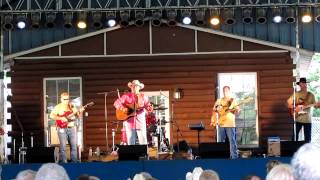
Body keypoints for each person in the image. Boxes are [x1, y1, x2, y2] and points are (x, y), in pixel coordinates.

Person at [114, 80, 153, 145]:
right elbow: (116, 103)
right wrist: (123, 109)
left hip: (140, 123)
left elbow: (148, 106)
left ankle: (143, 155)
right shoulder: (126, 96)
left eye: (136, 86)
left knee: (143, 143)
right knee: (131, 144)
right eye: (132, 86)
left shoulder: (143, 97)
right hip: (129, 123)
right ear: (130, 87)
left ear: (139, 87)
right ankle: (132, 155)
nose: (134, 87)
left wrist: (150, 108)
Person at [50, 92, 84, 163]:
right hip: (62, 128)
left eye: (67, 99)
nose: (66, 100)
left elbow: (77, 116)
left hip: (72, 128)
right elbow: (51, 116)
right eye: (64, 99)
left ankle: (74, 163)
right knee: (63, 147)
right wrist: (61, 118)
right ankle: (64, 163)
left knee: (74, 146)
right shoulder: (58, 107)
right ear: (61, 99)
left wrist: (80, 111)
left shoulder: (72, 106)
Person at [210, 86, 240, 159]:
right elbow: (214, 110)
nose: (225, 92)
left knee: (232, 141)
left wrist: (235, 111)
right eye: (224, 91)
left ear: (229, 91)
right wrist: (215, 120)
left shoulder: (233, 100)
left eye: (226, 91)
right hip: (221, 124)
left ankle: (234, 157)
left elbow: (238, 112)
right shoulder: (219, 100)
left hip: (230, 124)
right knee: (220, 141)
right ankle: (221, 157)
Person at [287, 77, 320, 142]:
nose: (304, 85)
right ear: (299, 84)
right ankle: (294, 150)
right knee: (294, 138)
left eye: (305, 83)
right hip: (297, 119)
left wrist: (318, 105)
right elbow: (288, 104)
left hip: (307, 120)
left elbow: (316, 106)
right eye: (302, 83)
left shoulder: (311, 95)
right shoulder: (296, 94)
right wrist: (296, 108)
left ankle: (306, 151)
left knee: (308, 139)